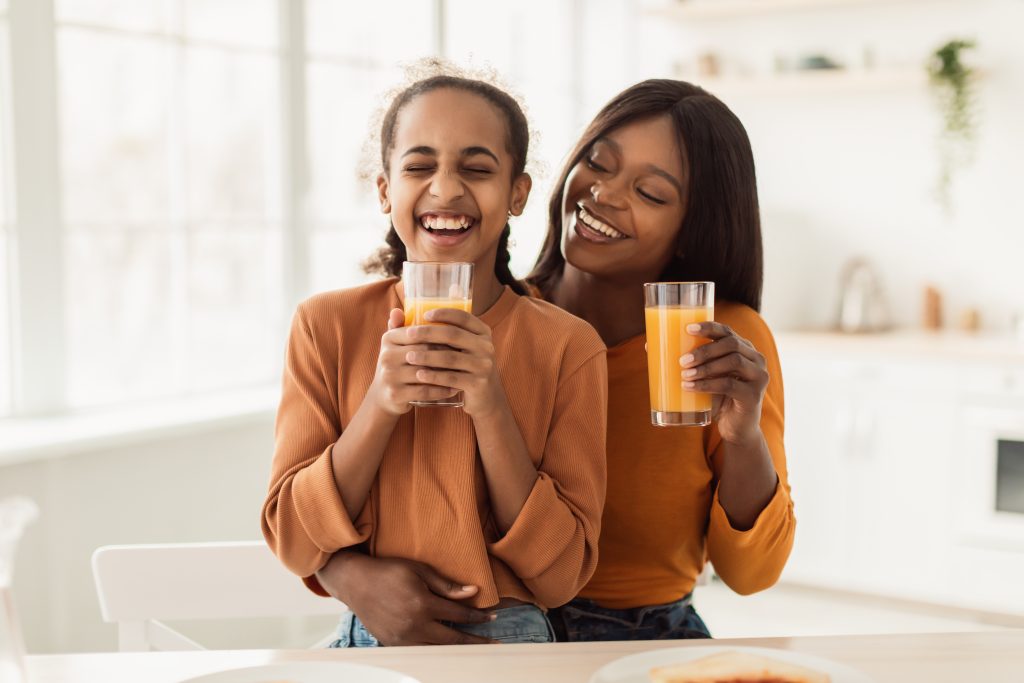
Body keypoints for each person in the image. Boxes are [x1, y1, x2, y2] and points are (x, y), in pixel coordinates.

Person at [313, 78, 795, 644]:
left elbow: (751, 575)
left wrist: (743, 440)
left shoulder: (720, 338)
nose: (605, 195)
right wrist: (344, 573)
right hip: (486, 626)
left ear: (693, 228)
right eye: (598, 163)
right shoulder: (489, 317)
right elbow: (390, 501)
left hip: (636, 633)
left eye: (652, 193)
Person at [261, 69, 608, 647]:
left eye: (476, 169)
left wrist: (492, 407)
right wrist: (380, 403)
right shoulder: (325, 328)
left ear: (518, 194)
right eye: (419, 166)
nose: (445, 190)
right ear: (384, 191)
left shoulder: (569, 347)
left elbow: (563, 574)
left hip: (512, 643)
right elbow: (294, 542)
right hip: (365, 639)